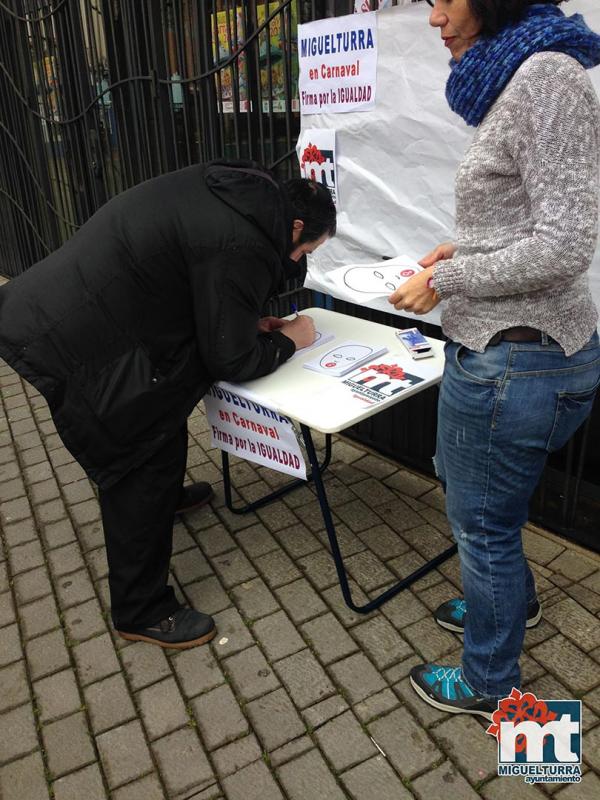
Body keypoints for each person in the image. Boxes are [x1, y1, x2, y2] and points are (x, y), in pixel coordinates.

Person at [0, 160, 336, 649]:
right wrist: (292, 342)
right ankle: (142, 610)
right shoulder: (242, 241)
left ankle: (167, 501)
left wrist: (247, 322)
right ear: (297, 225)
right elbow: (231, 359)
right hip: (76, 334)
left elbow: (206, 288)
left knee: (167, 408)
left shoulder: (243, 194)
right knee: (140, 451)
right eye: (307, 248)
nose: (303, 260)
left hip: (79, 304)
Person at [389, 0, 600, 719]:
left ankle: (487, 682)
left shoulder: (544, 75)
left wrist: (444, 279)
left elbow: (566, 244)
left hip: (518, 360)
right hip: (517, 352)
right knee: (489, 514)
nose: (434, 17)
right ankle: (512, 608)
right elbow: (524, 222)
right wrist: (463, 248)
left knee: (480, 528)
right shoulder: (516, 75)